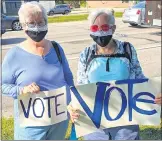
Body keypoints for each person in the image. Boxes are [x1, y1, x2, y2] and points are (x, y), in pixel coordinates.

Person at [68, 9, 161, 140]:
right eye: (95, 27)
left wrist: (154, 94)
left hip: (125, 122)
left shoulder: (127, 49)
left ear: (113, 28)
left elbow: (140, 79)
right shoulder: (86, 54)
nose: (100, 31)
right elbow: (82, 87)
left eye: (105, 27)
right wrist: (73, 107)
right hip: (96, 124)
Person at [2, 1, 74, 140]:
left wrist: (72, 103)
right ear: (23, 26)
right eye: (31, 23)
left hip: (59, 120)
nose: (37, 28)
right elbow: (2, 85)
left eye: (41, 22)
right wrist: (22, 90)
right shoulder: (14, 54)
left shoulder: (57, 48)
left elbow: (68, 78)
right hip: (31, 127)